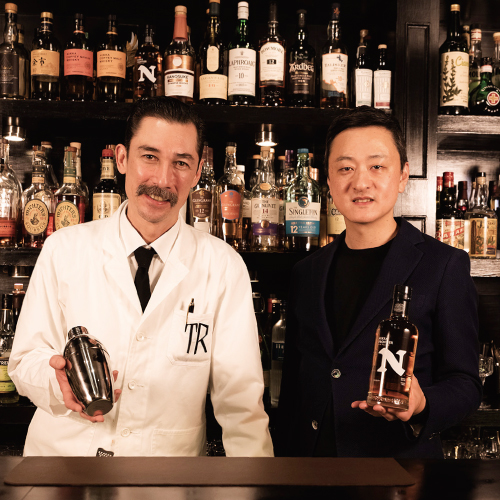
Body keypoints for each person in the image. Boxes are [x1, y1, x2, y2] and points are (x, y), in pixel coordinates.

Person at [9, 97, 273, 457]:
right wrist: (57, 383)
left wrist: (253, 481)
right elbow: (25, 360)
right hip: (63, 465)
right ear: (121, 159)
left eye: (181, 163)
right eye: (149, 156)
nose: (163, 180)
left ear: (198, 173)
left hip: (165, 475)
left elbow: (242, 405)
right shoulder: (65, 249)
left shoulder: (223, 266)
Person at [276, 106, 481, 458]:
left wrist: (421, 404)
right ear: (328, 181)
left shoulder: (443, 265)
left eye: (376, 166)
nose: (360, 182)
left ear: (402, 176)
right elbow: (294, 384)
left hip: (398, 470)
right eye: (345, 168)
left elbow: (466, 385)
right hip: (310, 468)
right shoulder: (307, 271)